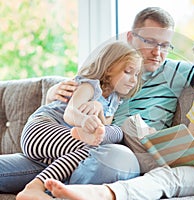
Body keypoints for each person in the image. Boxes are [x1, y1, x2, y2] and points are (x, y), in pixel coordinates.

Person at [0, 7, 194, 194]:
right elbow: (77, 98)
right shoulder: (113, 67)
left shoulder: (177, 71)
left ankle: (60, 189)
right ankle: (49, 185)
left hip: (121, 151)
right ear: (130, 37)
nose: (157, 52)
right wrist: (52, 93)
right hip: (72, 147)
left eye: (165, 45)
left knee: (117, 157)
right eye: (150, 41)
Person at [15, 41, 142, 200]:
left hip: (58, 145)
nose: (134, 80)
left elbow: (104, 129)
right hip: (40, 129)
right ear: (108, 68)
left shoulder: (114, 99)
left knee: (113, 134)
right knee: (96, 144)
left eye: (136, 74)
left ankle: (45, 189)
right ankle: (33, 187)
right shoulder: (90, 86)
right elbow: (71, 113)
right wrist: (83, 120)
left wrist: (98, 110)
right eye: (128, 72)